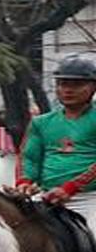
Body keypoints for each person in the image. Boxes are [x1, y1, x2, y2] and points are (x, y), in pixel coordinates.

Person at [15, 53, 96, 234]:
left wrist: (70, 188)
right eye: (62, 84)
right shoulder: (40, 122)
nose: (67, 90)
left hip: (90, 198)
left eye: (76, 85)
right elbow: (29, 157)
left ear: (93, 87)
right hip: (46, 196)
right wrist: (25, 182)